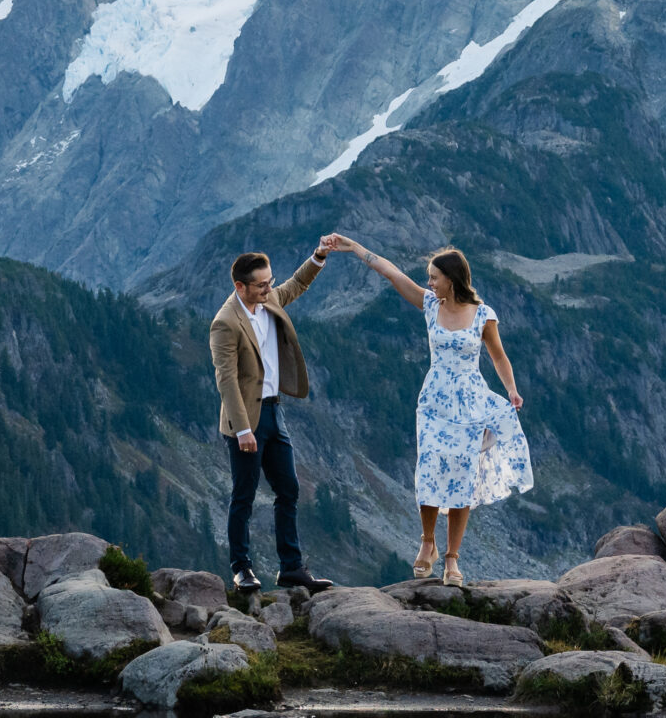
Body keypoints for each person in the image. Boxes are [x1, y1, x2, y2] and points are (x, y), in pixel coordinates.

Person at [319, 238, 530, 585]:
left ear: (452, 278)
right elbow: (391, 273)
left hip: (470, 402)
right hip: (434, 401)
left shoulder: (483, 315)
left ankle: (452, 559)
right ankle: (427, 541)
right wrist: (355, 248)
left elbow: (498, 356)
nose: (429, 282)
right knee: (429, 467)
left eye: (434, 277)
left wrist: (511, 389)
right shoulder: (430, 304)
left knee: (463, 478)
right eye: (429, 277)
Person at [210, 241, 337, 593]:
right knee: (244, 495)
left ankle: (291, 568)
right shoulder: (225, 323)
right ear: (240, 287)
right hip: (245, 421)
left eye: (270, 282)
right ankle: (242, 569)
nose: (270, 289)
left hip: (274, 410)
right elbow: (227, 380)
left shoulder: (269, 300)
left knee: (288, 489)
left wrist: (319, 257)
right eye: (262, 284)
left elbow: (295, 284)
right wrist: (243, 429)